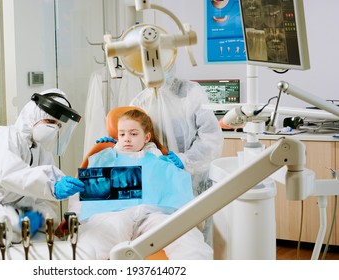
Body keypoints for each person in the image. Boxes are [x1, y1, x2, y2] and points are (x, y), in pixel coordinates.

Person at [0, 88, 86, 257]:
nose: (55, 129)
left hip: (19, 221)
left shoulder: (42, 152)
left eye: (58, 125)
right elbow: (11, 174)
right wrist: (52, 184)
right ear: (33, 115)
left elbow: (45, 199)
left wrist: (43, 217)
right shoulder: (5, 136)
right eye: (50, 122)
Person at [69, 108, 213, 260]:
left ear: (146, 137)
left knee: (189, 243)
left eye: (133, 134)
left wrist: (179, 165)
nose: (126, 139)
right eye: (122, 134)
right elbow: (84, 193)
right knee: (90, 246)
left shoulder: (161, 159)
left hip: (154, 214)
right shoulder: (105, 156)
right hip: (115, 214)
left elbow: (177, 193)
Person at [129, 69, 224, 245]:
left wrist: (185, 160)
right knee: (162, 239)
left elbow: (211, 138)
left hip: (192, 180)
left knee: (195, 239)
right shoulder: (140, 101)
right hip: (157, 185)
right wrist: (118, 145)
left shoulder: (190, 93)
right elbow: (133, 140)